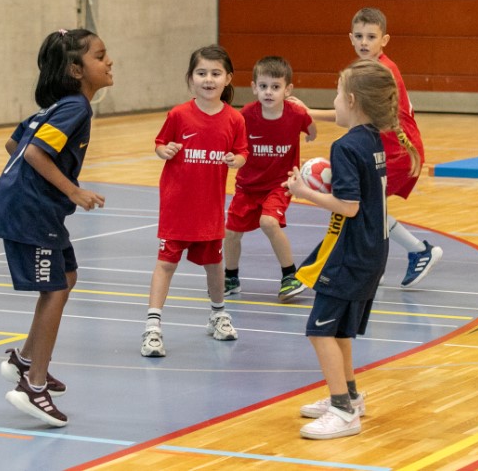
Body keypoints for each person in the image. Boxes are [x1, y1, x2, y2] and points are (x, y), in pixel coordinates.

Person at [0, 28, 113, 427]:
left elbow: (14, 144)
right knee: (56, 288)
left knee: (67, 276)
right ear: (76, 70)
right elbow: (32, 152)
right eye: (100, 56)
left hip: (32, 205)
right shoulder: (75, 107)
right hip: (31, 210)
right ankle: (34, 385)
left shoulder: (58, 107)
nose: (109, 61)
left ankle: (25, 359)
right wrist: (73, 190)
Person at [286, 59, 411, 439]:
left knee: (319, 330)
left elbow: (349, 206)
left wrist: (304, 192)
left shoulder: (345, 146)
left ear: (353, 100)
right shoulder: (372, 139)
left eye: (337, 95)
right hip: (372, 251)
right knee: (340, 329)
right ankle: (350, 396)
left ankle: (343, 411)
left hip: (351, 254)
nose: (335, 102)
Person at [311, 7, 440, 288]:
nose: (364, 42)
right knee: (368, 207)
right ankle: (406, 254)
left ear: (384, 40)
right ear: (350, 38)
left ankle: (411, 252)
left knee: (357, 205)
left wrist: (308, 113)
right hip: (388, 150)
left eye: (371, 37)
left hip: (396, 152)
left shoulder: (380, 71)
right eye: (359, 36)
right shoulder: (369, 69)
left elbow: (348, 117)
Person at [140, 45, 248, 358]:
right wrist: (164, 151)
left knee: (214, 265)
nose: (208, 79)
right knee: (166, 264)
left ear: (228, 78)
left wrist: (237, 160)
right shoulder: (179, 115)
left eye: (215, 73)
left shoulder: (234, 119)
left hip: (209, 209)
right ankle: (152, 327)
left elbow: (242, 152)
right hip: (177, 208)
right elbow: (160, 144)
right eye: (201, 73)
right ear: (191, 78)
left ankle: (218, 315)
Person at [224, 56, 317, 302]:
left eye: (275, 87)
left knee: (268, 222)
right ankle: (230, 277)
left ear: (288, 90)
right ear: (254, 87)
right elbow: (234, 142)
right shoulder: (246, 115)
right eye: (263, 86)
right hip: (247, 185)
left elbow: (311, 127)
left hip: (279, 184)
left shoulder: (296, 114)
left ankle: (290, 276)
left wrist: (311, 134)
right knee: (231, 232)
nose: (268, 92)